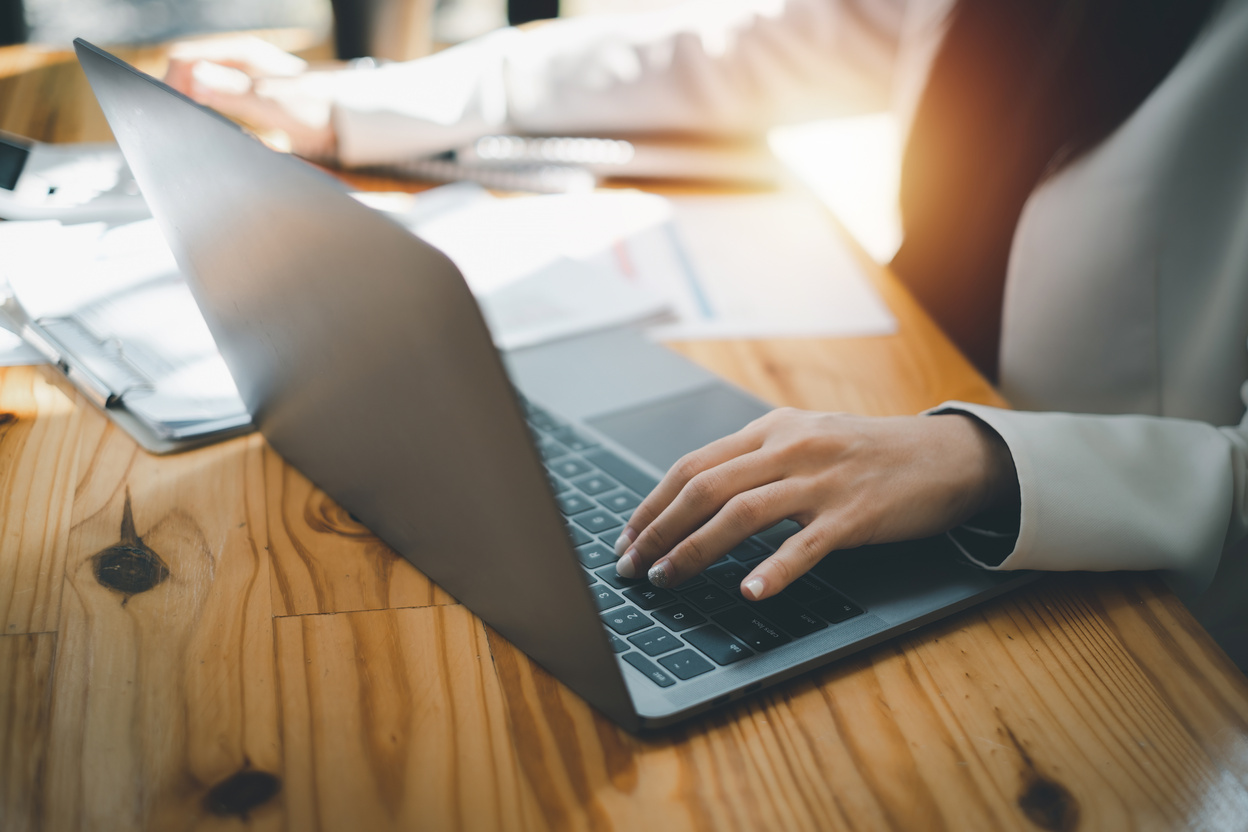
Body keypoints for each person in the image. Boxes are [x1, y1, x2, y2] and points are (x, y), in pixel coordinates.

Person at [166, 0, 1248, 669]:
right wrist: (368, 106)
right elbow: (749, 43)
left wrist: (983, 458)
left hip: (1132, 607)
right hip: (907, 446)